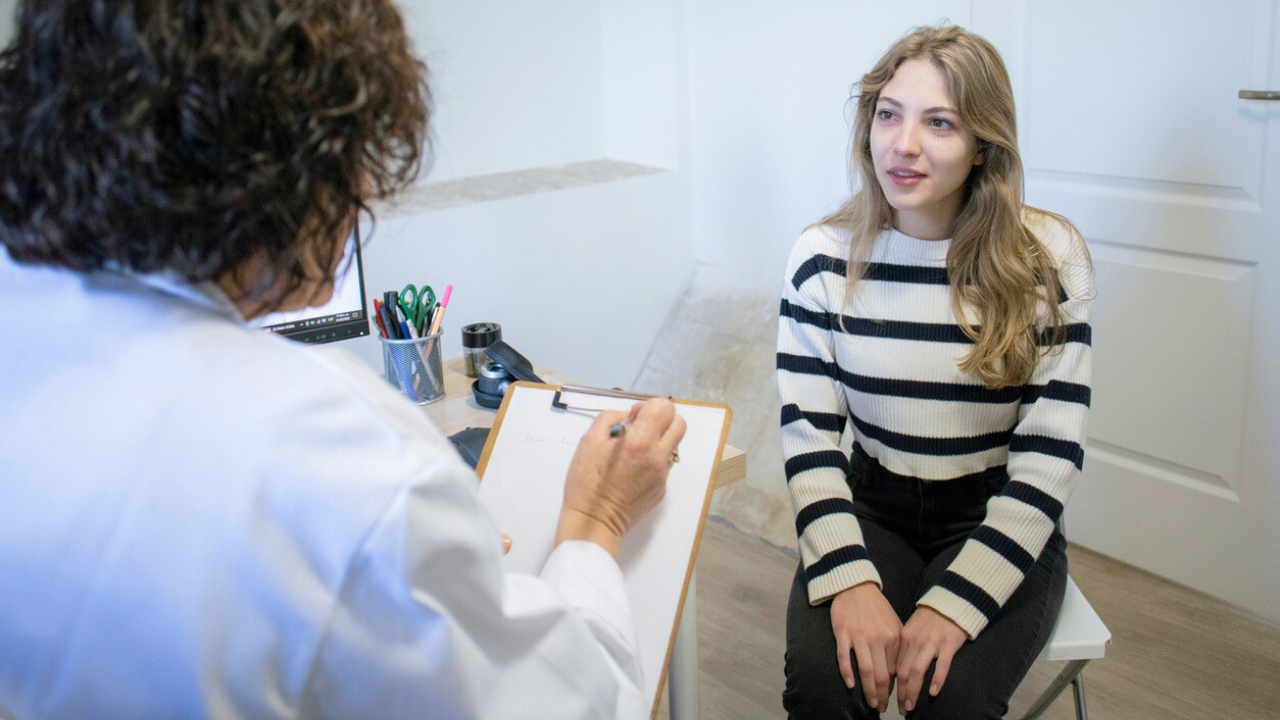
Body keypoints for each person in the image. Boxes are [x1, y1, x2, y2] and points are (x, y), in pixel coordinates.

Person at [0, 1, 685, 718]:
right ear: (282, 166)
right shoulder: (333, 456)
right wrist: (595, 520)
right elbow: (580, 707)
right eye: (357, 154)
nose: (365, 192)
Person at [777, 25, 1093, 719]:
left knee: (948, 704)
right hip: (871, 505)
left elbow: (1049, 459)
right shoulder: (822, 257)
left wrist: (956, 605)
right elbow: (808, 436)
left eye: (939, 122)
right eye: (888, 114)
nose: (903, 144)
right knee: (826, 690)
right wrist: (849, 580)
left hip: (995, 512)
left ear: (984, 144)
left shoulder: (1049, 258)